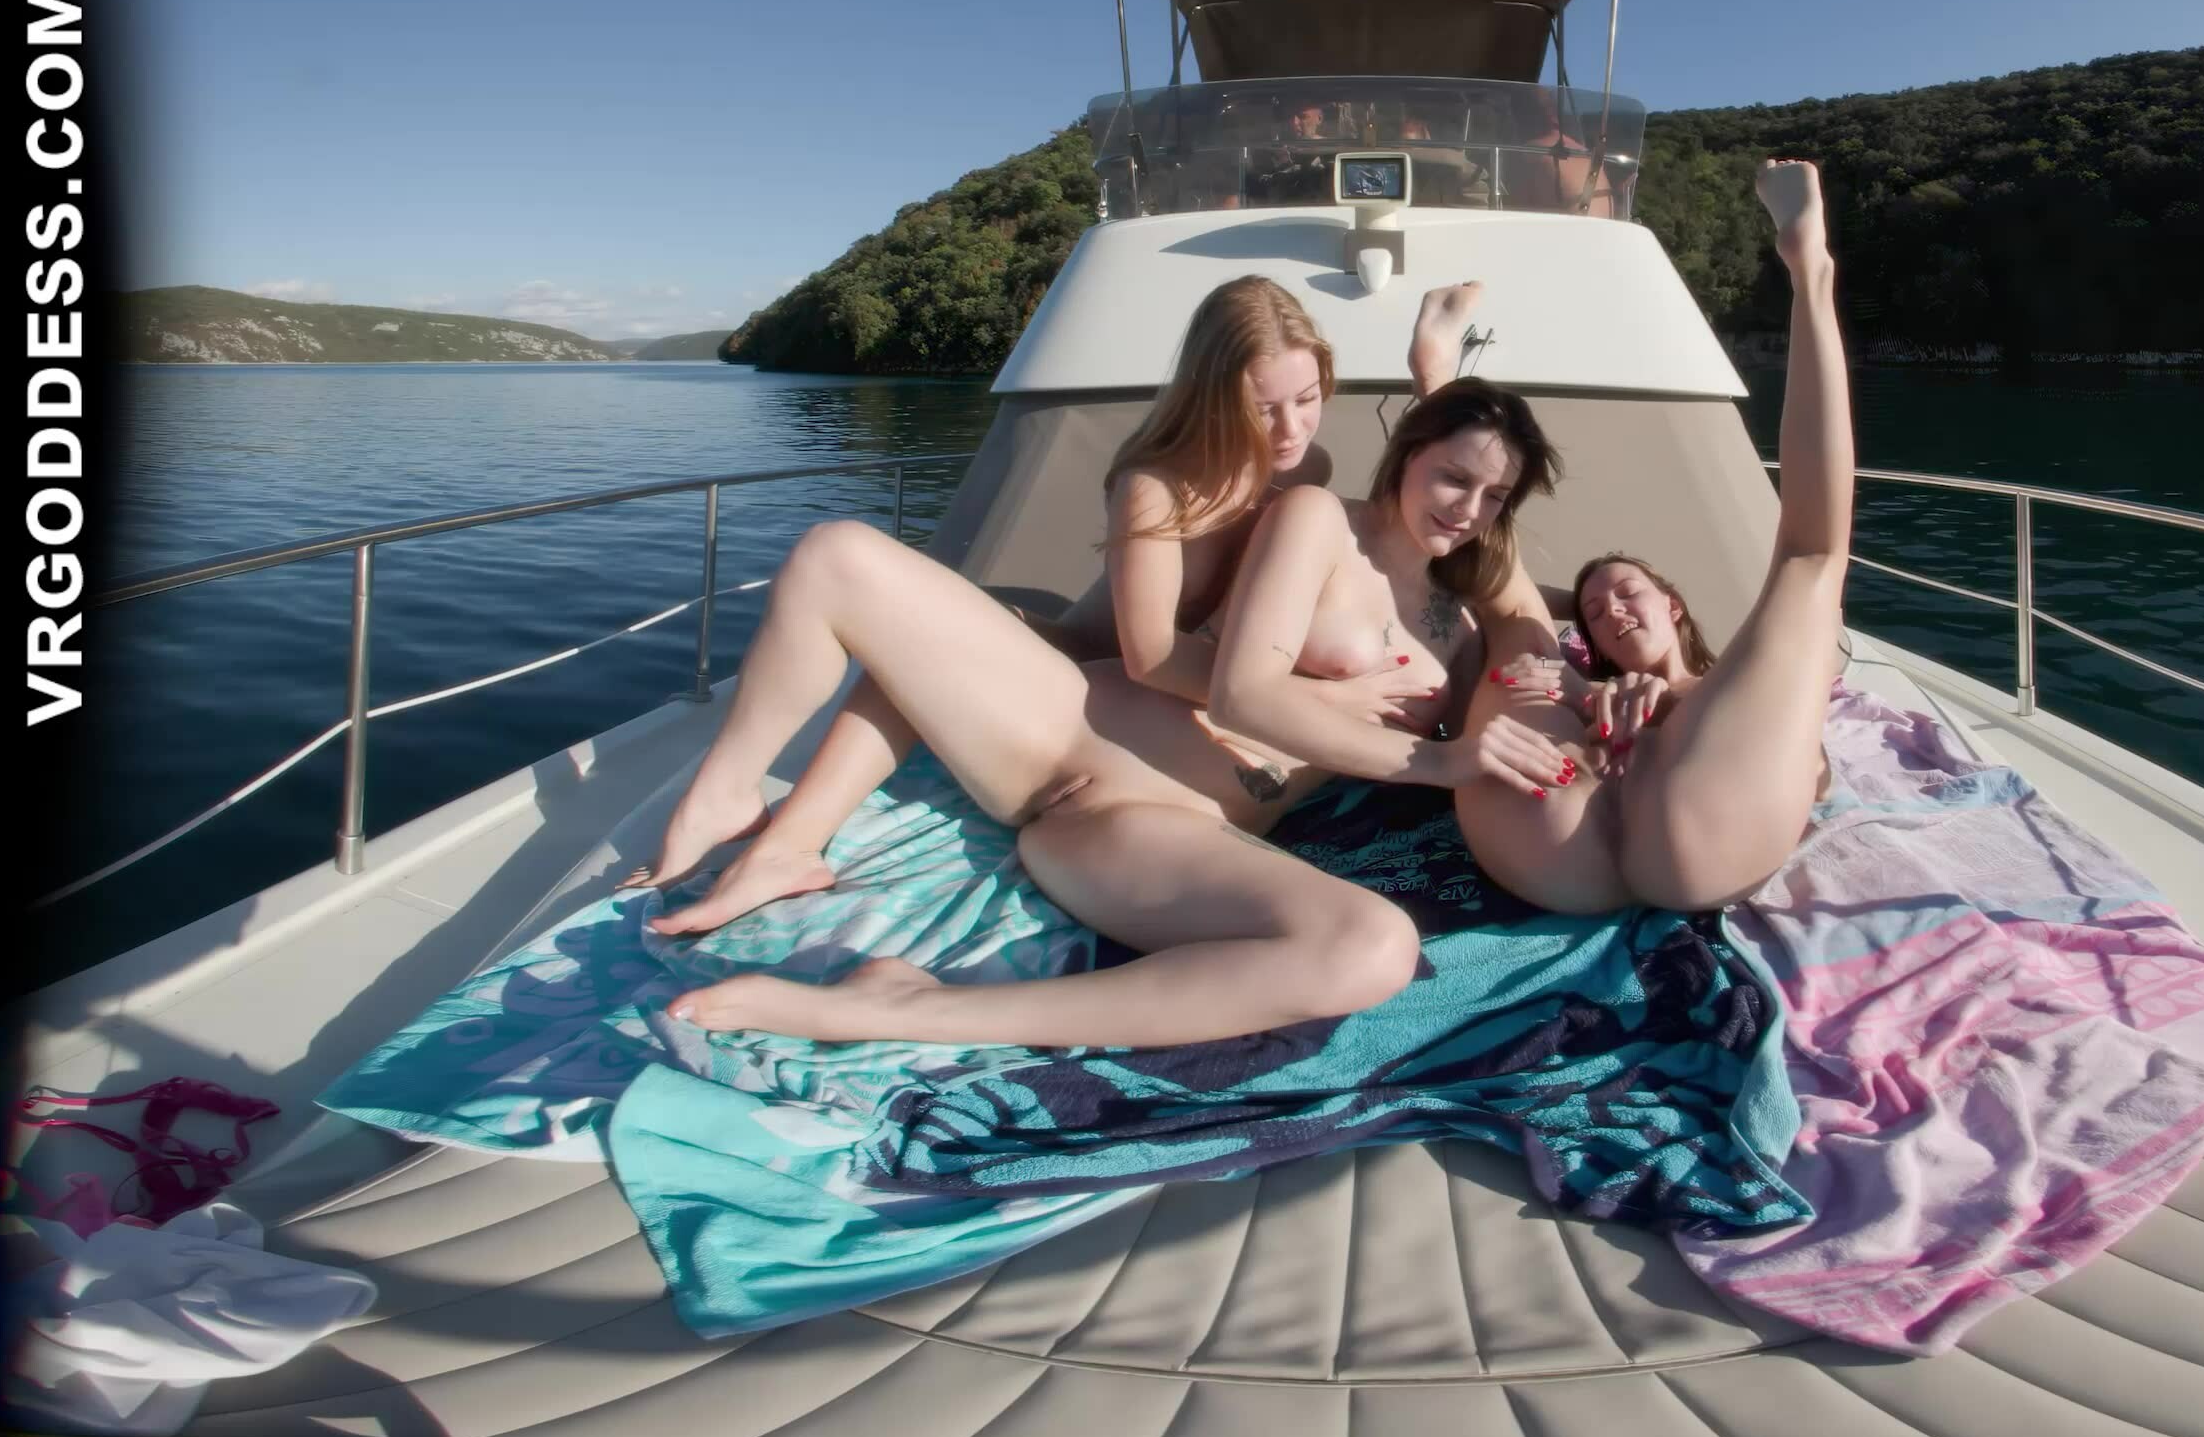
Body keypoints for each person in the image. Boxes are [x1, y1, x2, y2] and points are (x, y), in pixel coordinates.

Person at [638, 394, 1588, 1050]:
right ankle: (740, 816)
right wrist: (1436, 760)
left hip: (1157, 825)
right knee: (838, 553)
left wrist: (1611, 684)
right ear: (1408, 453)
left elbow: (1533, 652)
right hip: (1072, 724)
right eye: (1452, 478)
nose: (1468, 510)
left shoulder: (1462, 623)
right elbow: (1242, 693)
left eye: (1494, 497)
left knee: (1374, 948)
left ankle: (901, 1008)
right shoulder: (1320, 522)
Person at [638, 269, 1477, 938]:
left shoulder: (1304, 469)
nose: (1291, 429)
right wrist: (1306, 698)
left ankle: (784, 842)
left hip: (1135, 697)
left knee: (883, 619)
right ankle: (735, 801)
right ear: (1214, 397)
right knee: (844, 571)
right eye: (1263, 409)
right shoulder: (1158, 486)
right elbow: (1150, 657)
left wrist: (1433, 373)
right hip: (1090, 659)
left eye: (1307, 398)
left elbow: (1429, 491)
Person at [1434, 161, 1854, 913]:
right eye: (1594, 612)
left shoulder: (1728, 687)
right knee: (1512, 615)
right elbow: (1507, 585)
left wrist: (1667, 701)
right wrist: (1583, 688)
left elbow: (1811, 770)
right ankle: (1433, 378)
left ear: (1675, 604)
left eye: (1626, 591)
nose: (1612, 610)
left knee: (1809, 561)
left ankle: (1809, 272)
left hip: (1700, 824)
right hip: (1558, 831)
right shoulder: (1572, 678)